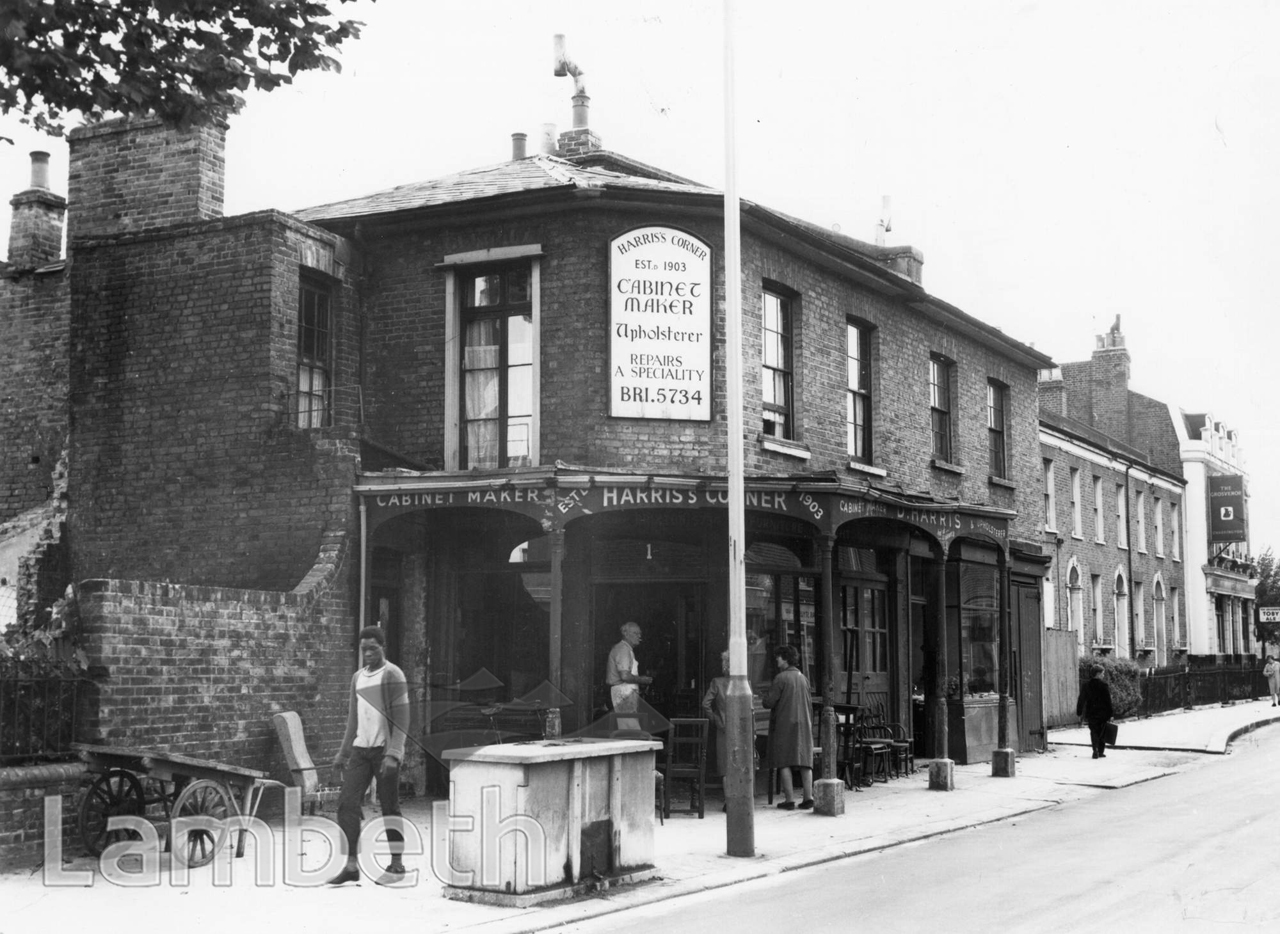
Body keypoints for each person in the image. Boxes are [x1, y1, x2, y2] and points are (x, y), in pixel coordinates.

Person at [327, 626, 411, 886]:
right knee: (346, 804)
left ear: (383, 646)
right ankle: (351, 865)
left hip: (384, 752)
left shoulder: (392, 674)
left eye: (373, 648)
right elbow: (353, 719)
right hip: (361, 751)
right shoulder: (357, 678)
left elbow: (402, 718)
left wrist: (394, 754)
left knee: (389, 807)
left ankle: (396, 865)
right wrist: (343, 752)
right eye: (364, 649)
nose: (368, 653)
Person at [764, 644, 814, 810]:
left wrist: (764, 695)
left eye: (778, 656)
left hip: (785, 723)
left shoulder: (781, 678)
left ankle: (790, 799)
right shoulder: (803, 678)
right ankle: (808, 797)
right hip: (804, 723)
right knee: (804, 761)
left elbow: (769, 702)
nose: (776, 659)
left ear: (785, 658)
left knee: (784, 760)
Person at [606, 621, 652, 731]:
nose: (639, 636)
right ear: (626, 634)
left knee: (629, 726)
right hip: (623, 692)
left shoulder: (627, 649)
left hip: (627, 693)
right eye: (636, 633)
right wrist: (643, 680)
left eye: (640, 633)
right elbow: (625, 676)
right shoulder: (623, 649)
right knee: (630, 729)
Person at [701, 650, 732, 780]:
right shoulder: (745, 683)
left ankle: (728, 798)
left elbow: (705, 704)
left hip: (723, 726)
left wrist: (715, 718)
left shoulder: (717, 682)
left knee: (725, 766)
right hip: (741, 727)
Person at [1076, 664, 1114, 760]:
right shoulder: (1104, 685)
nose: (1103, 675)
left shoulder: (1086, 685)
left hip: (1091, 713)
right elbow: (1108, 701)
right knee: (1102, 732)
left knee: (1093, 732)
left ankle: (1095, 750)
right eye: (1102, 673)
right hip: (1103, 713)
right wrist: (1111, 714)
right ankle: (1101, 751)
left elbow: (1081, 700)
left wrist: (1079, 712)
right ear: (1097, 674)